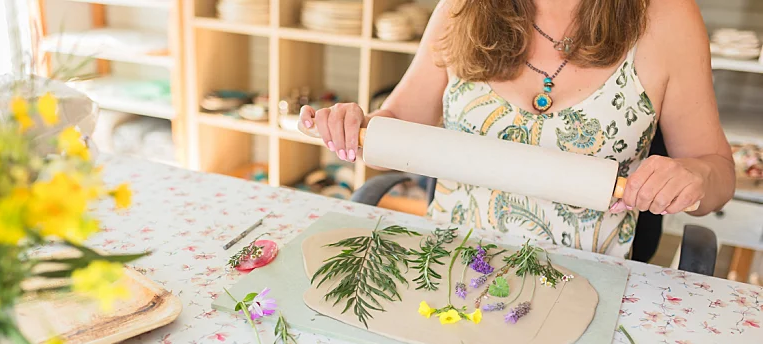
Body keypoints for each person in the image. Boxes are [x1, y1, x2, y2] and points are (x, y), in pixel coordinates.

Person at [300, 0, 736, 257]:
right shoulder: (462, 7)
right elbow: (394, 123)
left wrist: (694, 176)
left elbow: (718, 174)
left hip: (590, 284)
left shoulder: (666, 16)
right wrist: (353, 126)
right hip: (450, 264)